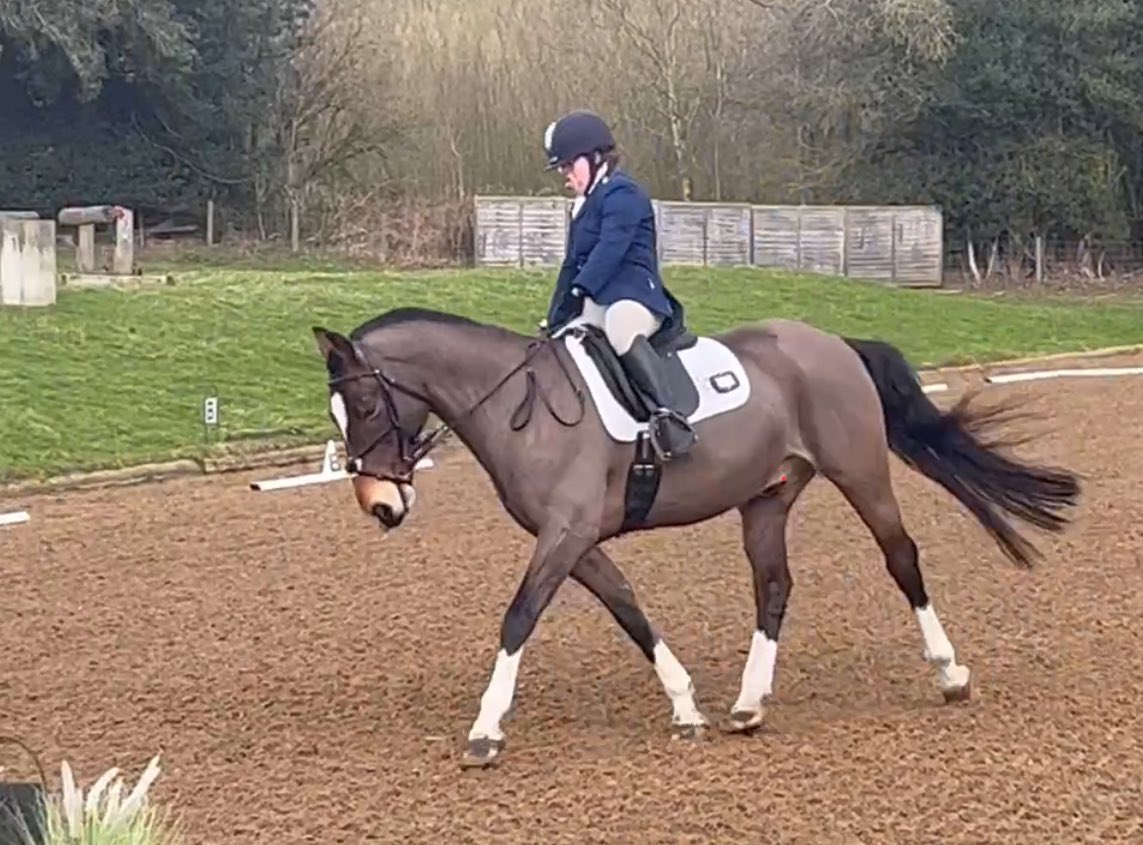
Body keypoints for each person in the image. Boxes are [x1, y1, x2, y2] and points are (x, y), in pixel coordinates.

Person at [540, 108, 696, 460]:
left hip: (636, 298)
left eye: (569, 165)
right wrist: (556, 318)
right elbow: (570, 265)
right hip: (599, 299)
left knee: (620, 329)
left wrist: (581, 289)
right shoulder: (583, 206)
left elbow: (611, 248)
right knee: (566, 339)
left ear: (595, 157)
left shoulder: (624, 194)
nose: (565, 175)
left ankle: (670, 416)